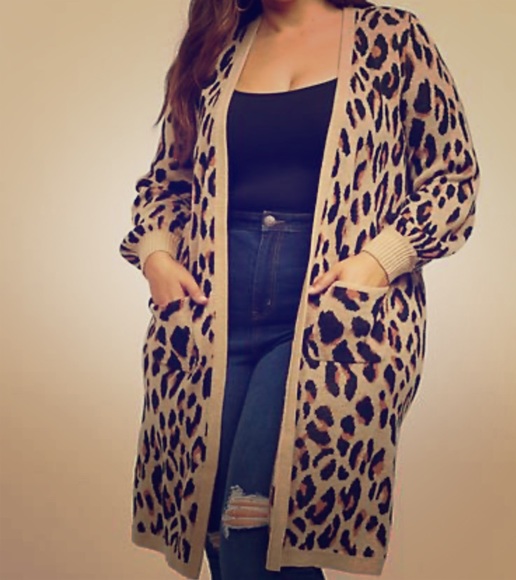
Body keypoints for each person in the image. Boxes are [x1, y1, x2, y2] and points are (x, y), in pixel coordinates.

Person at [118, 1, 481, 579]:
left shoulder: (391, 37)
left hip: (331, 314)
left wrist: (378, 261)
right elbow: (169, 179)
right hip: (211, 314)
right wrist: (157, 256)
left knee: (251, 518)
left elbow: (452, 176)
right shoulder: (218, 46)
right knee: (213, 526)